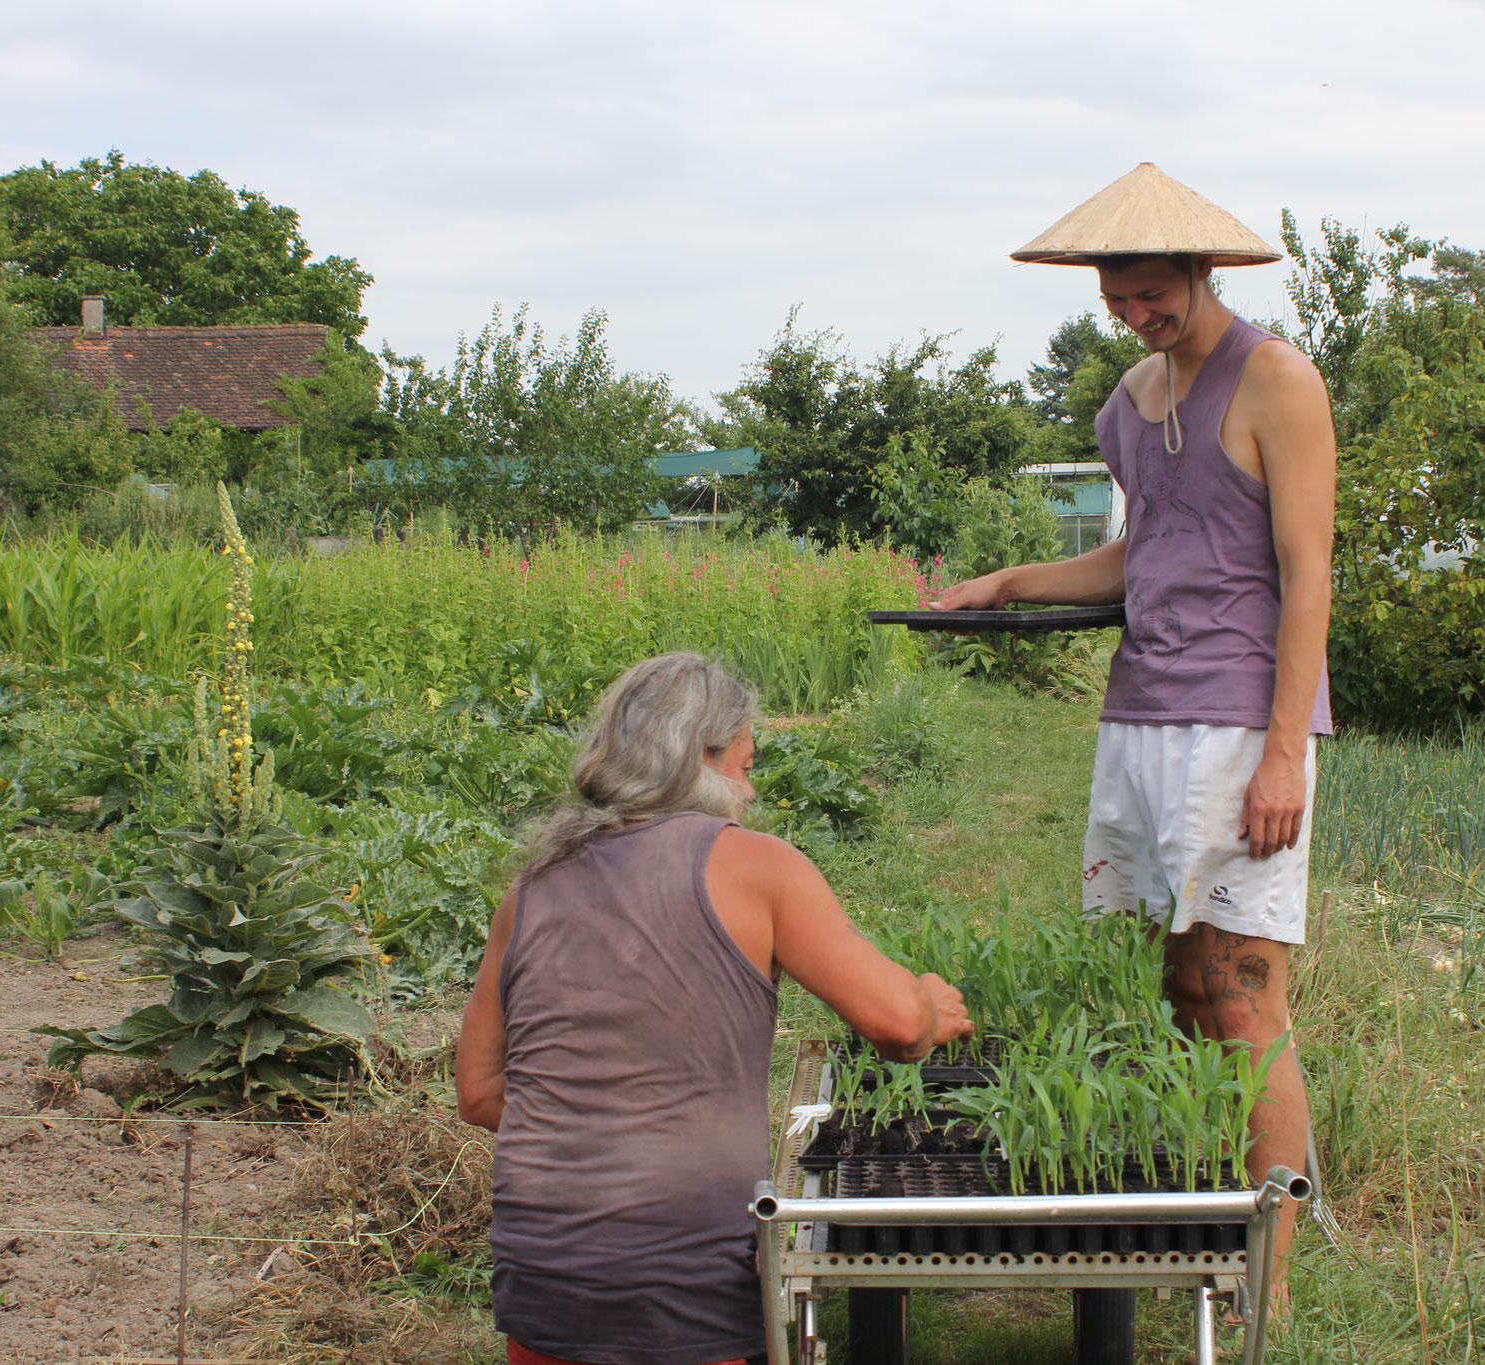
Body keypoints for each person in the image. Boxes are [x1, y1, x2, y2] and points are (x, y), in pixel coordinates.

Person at [934, 162, 1334, 1303]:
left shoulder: (1275, 381)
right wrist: (1009, 581)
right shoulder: (1128, 398)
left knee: (1242, 998)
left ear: (1202, 273)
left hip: (1232, 725)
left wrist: (1281, 752)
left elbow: (1306, 575)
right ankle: (1204, 1233)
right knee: (1168, 991)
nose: (1136, 313)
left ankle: (1270, 1281)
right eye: (1117, 298)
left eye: (1153, 294)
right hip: (1140, 714)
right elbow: (1142, 554)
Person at [453, 653, 974, 1365]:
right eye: (745, 763)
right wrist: (934, 1009)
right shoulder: (756, 867)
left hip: (544, 1274)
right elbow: (897, 1023)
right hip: (685, 1274)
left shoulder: (532, 888)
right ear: (700, 757)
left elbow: (479, 1091)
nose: (750, 790)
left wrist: (597, 1119)